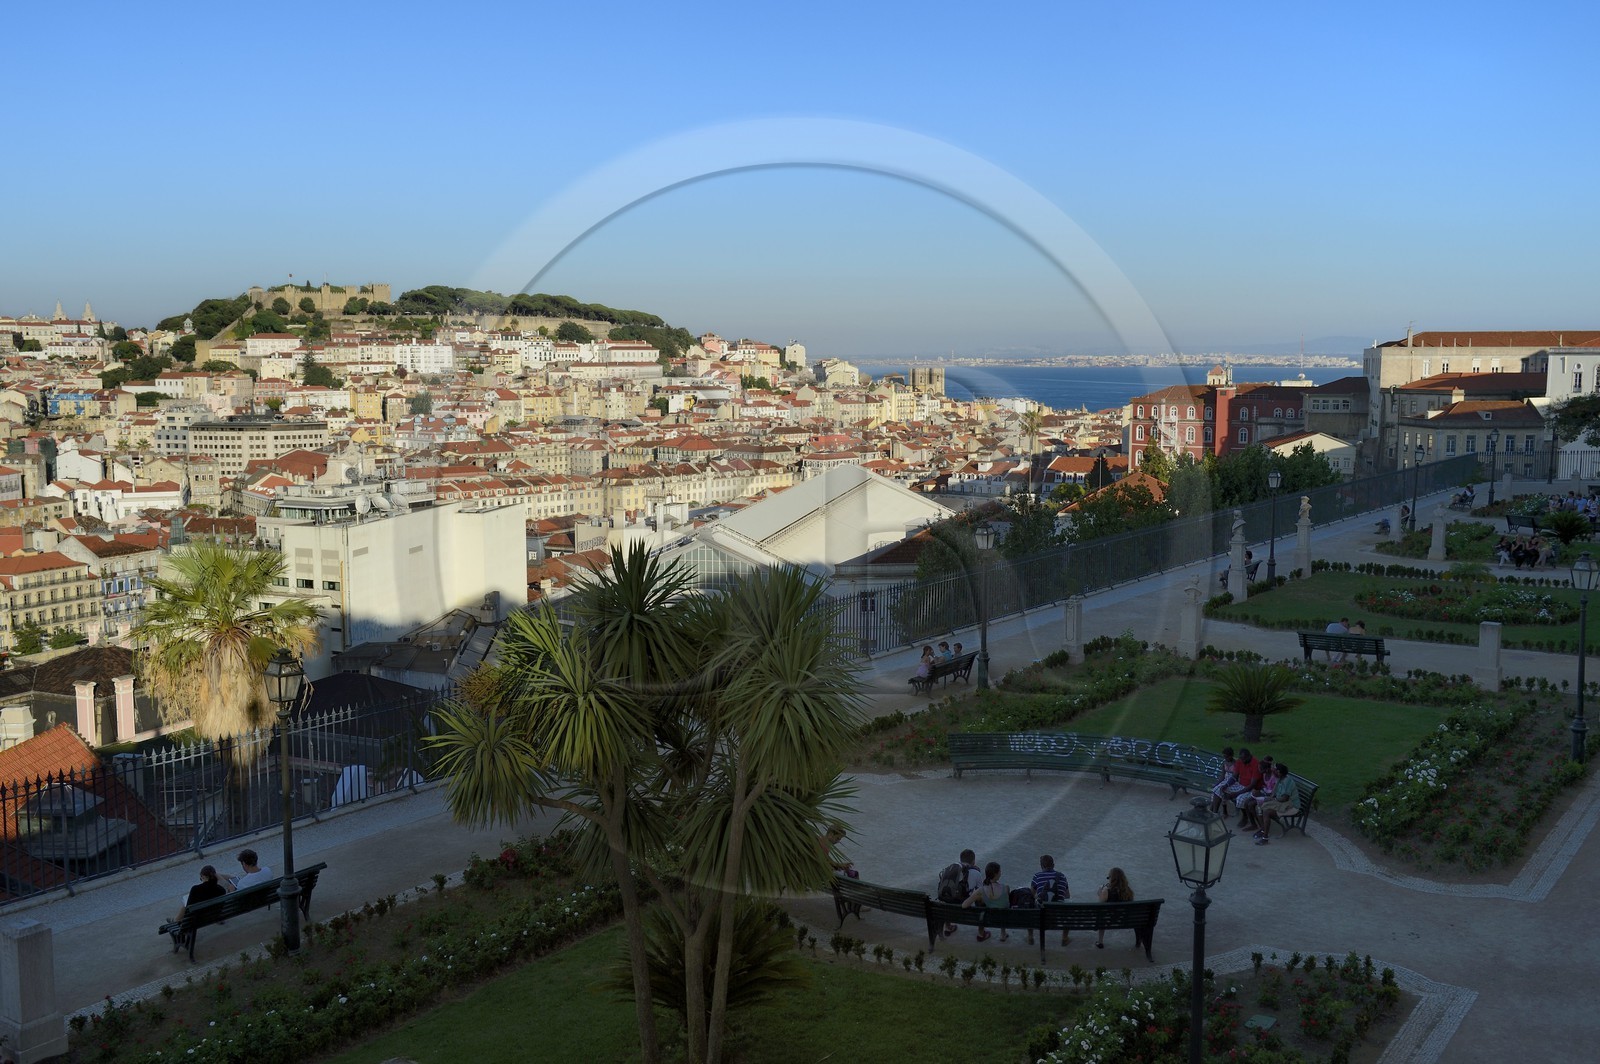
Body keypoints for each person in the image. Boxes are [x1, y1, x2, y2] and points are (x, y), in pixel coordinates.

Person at [170, 865, 227, 950]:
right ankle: (175, 921)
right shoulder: (221, 890)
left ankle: (174, 922)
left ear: (203, 876)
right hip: (214, 915)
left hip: (195, 919)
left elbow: (189, 908)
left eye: (201, 877)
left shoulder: (196, 889)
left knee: (184, 907)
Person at [962, 861, 1011, 942]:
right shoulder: (1006, 888)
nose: (1000, 873)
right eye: (1000, 871)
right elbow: (1006, 903)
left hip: (988, 919)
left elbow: (964, 905)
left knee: (980, 903)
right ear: (996, 874)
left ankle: (981, 931)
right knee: (1003, 907)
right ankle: (1003, 933)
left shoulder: (981, 891)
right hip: (1004, 919)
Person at [937, 849, 983, 937]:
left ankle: (947, 927)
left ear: (960, 860)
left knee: (948, 896)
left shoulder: (950, 868)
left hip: (946, 905)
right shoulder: (976, 872)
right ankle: (981, 932)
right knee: (979, 895)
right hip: (962, 905)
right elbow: (980, 891)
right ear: (973, 861)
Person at [1030, 854, 1071, 947]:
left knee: (1030, 905)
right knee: (1068, 910)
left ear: (1041, 866)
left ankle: (1030, 936)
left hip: (1041, 914)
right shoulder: (1062, 876)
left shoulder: (1037, 876)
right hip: (1058, 914)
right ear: (1053, 865)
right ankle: (1064, 938)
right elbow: (1067, 896)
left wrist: (1040, 895)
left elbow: (1031, 895)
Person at [1255, 762, 1300, 843]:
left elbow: (1284, 798)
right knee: (1259, 806)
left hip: (1291, 806)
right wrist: (1267, 798)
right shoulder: (1280, 778)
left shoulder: (1287, 782)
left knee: (1266, 812)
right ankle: (1263, 830)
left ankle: (1265, 837)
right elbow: (1273, 793)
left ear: (1279, 772)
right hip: (1282, 802)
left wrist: (1272, 800)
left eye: (1274, 771)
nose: (1273, 772)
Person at [1095, 867, 1134, 948]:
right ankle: (1138, 942)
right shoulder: (1128, 891)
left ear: (1112, 879)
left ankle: (1100, 942)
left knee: (1102, 915)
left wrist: (1100, 892)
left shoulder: (1107, 891)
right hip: (1125, 920)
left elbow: (1100, 905)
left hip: (1109, 920)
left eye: (1109, 877)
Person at [1236, 755, 1275, 830]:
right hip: (1264, 793)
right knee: (1246, 803)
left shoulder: (1273, 777)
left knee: (1251, 805)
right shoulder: (1264, 774)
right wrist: (1260, 790)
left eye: (1260, 769)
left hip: (1270, 796)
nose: (1258, 770)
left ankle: (1262, 827)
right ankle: (1253, 824)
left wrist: (1262, 791)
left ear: (1266, 769)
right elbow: (1264, 785)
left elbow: (1274, 791)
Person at [1218, 748, 1261, 813]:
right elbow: (1234, 777)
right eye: (1241, 759)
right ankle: (1221, 812)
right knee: (1220, 789)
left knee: (1240, 799)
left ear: (1249, 756)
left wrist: (1237, 793)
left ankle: (1244, 816)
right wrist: (1226, 785)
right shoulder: (1240, 761)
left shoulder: (1255, 763)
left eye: (1244, 759)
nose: (1242, 761)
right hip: (1241, 785)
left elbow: (1252, 784)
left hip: (1251, 788)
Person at [1208, 746, 1237, 815]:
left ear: (1231, 756)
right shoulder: (1224, 763)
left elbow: (1235, 777)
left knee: (1218, 790)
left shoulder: (1236, 764)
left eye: (1227, 757)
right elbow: (1222, 776)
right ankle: (1213, 810)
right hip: (1225, 781)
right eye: (1224, 757)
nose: (1225, 758)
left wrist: (1225, 784)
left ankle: (1214, 811)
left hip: (1233, 783)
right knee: (1216, 789)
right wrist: (1217, 784)